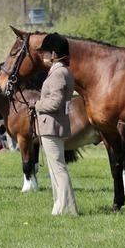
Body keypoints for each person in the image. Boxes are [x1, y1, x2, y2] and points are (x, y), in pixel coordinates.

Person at [33, 32, 78, 216]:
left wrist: (36, 105)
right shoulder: (61, 72)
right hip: (53, 125)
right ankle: (60, 206)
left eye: (45, 52)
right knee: (55, 168)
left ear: (53, 54)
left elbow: (55, 103)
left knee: (58, 168)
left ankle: (68, 208)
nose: (42, 55)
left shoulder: (58, 74)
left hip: (52, 125)